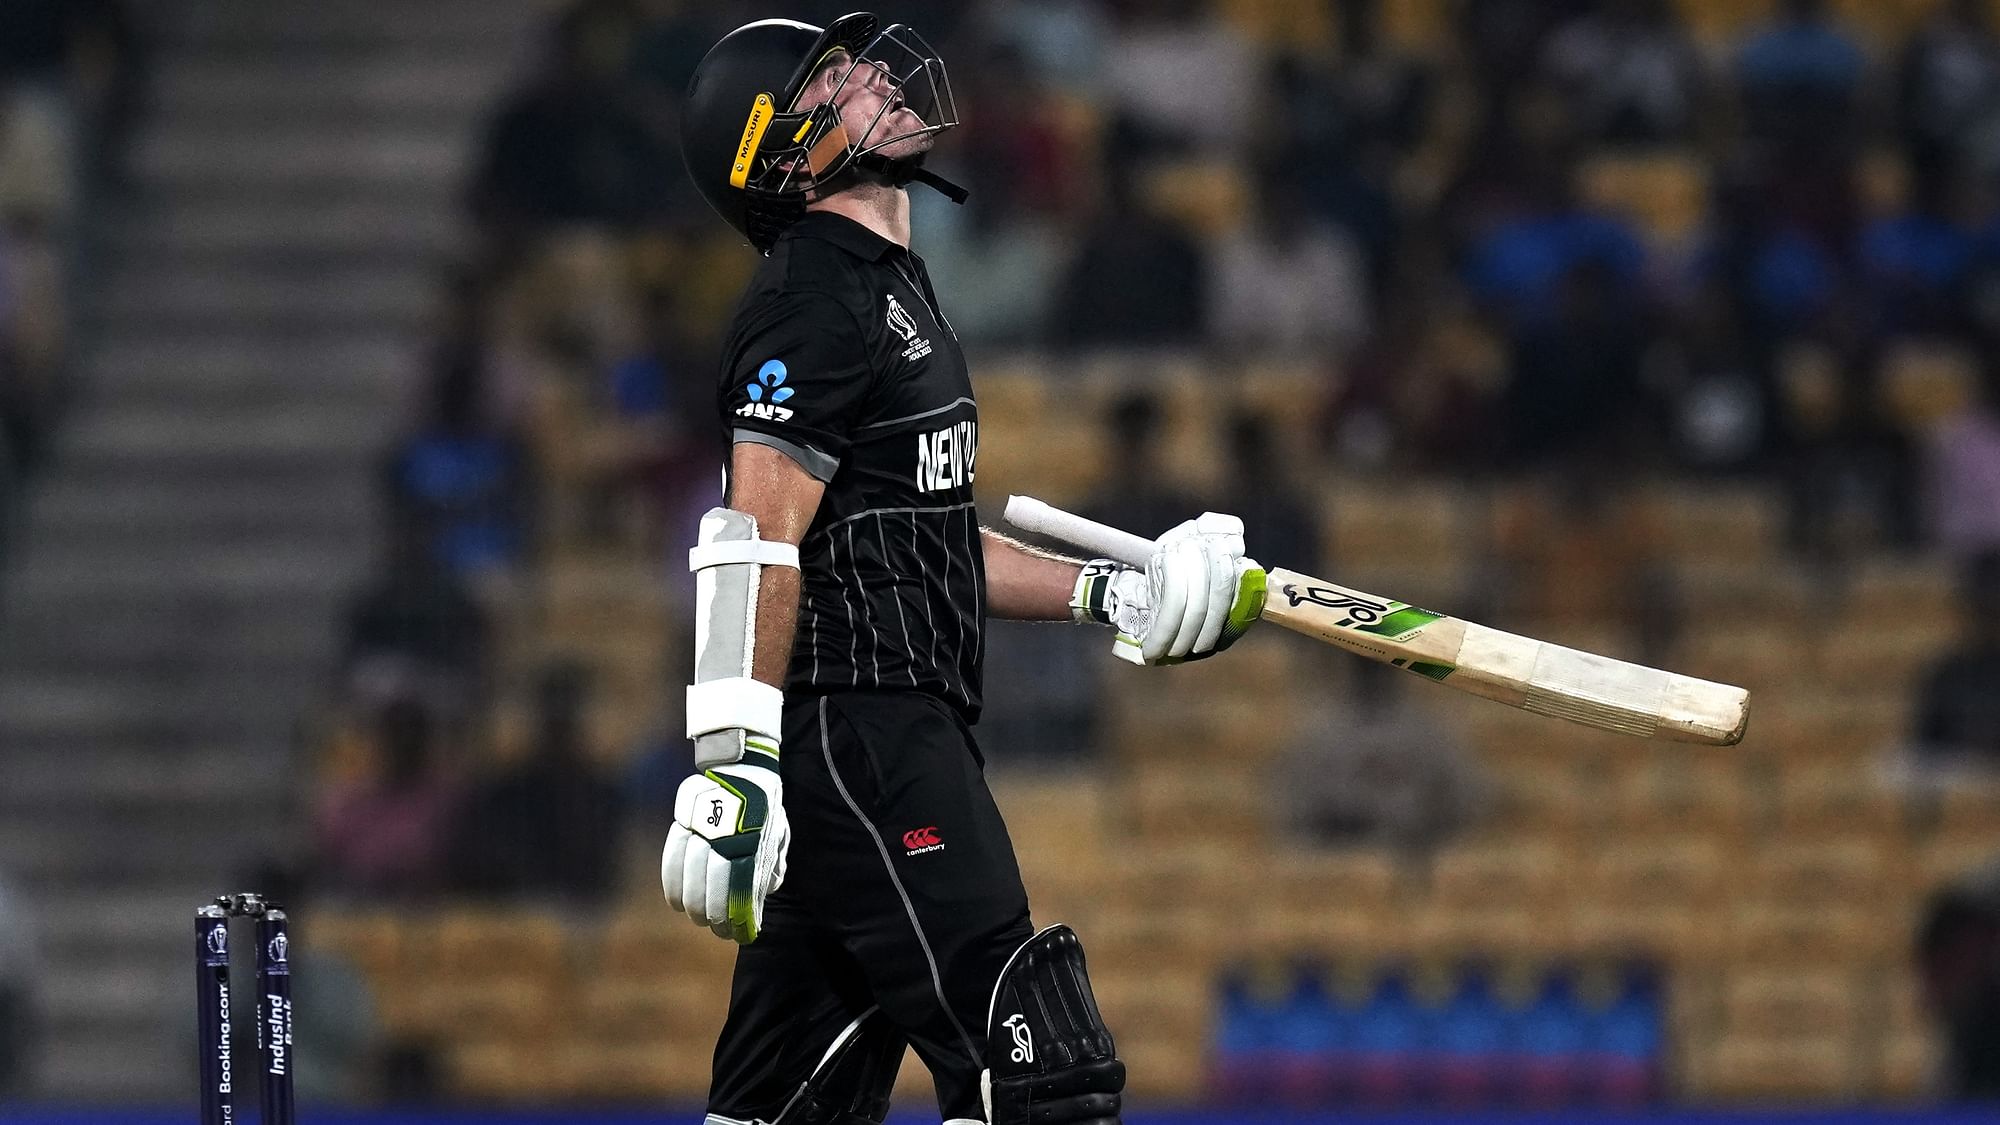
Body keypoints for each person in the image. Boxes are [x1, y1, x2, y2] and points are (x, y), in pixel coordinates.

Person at [668, 15, 1267, 1125]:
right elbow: (753, 536)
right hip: (866, 733)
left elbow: (926, 535)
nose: (875, 80)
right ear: (785, 156)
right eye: (835, 83)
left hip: (883, 735)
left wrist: (1109, 591)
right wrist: (731, 761)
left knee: (780, 1112)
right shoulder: (813, 293)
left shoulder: (888, 284)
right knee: (1043, 1072)